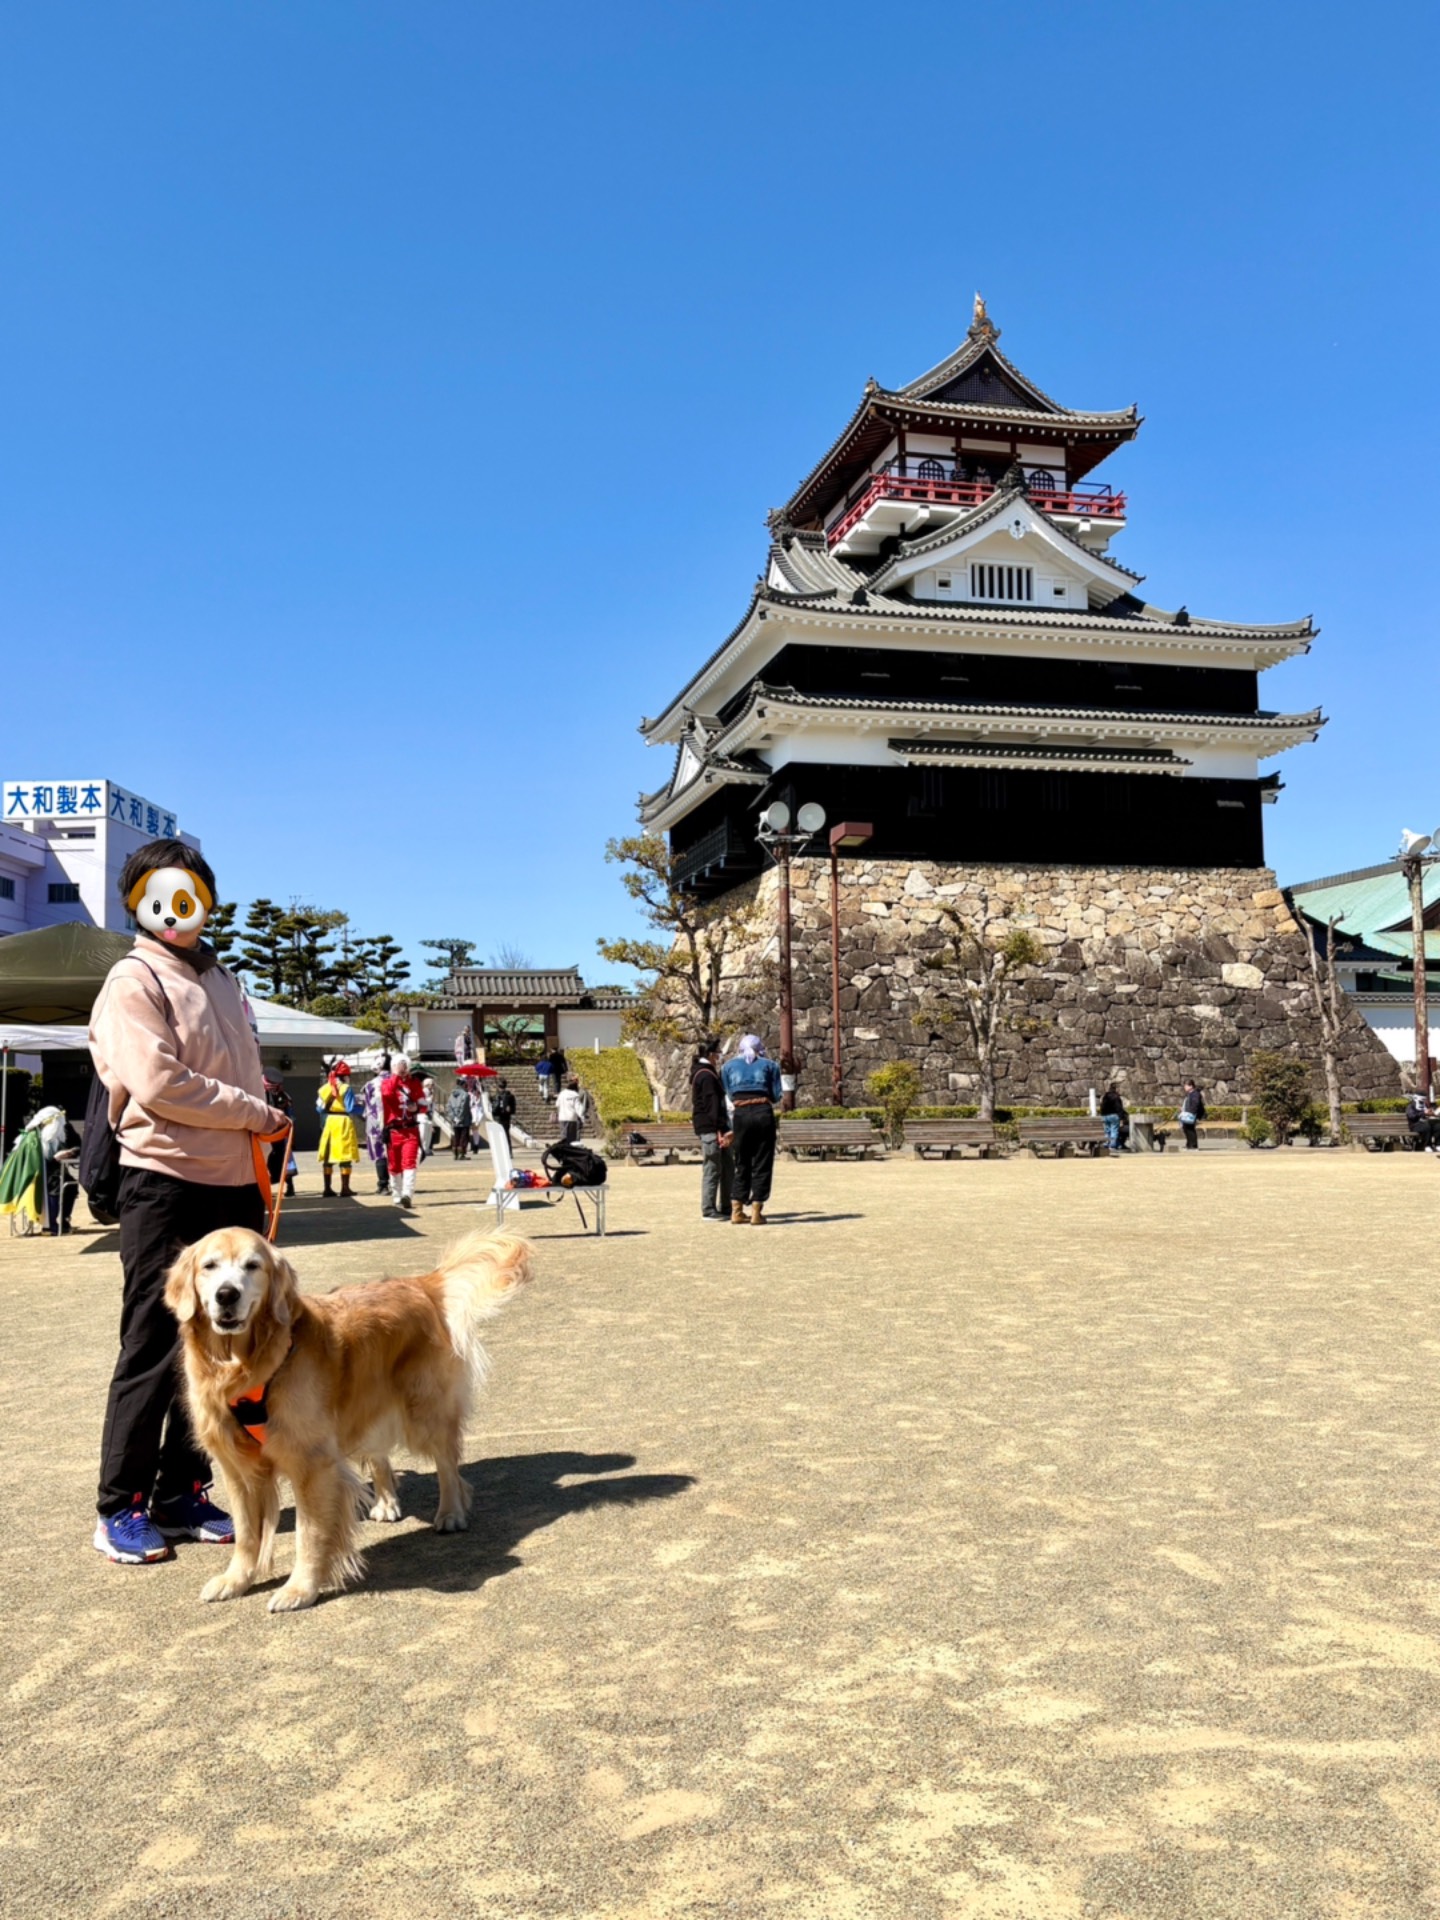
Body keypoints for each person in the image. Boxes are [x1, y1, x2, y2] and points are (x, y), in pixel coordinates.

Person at [87, 837, 276, 1565]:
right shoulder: (132, 979)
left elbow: (237, 1072)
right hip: (163, 1178)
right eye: (157, 895)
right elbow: (159, 1083)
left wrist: (262, 1109)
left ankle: (184, 1490)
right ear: (135, 903)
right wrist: (252, 1110)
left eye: (188, 892)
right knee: (155, 1339)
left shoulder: (222, 977)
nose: (174, 909)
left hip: (234, 1181)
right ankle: (120, 1506)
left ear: (206, 898)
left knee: (227, 1344)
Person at [721, 1034, 783, 1226]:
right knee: (762, 1161)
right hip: (763, 1112)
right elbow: (776, 1095)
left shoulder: (727, 1067)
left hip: (740, 1114)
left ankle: (737, 1210)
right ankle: (756, 1211)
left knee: (741, 1161)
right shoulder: (770, 1065)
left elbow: (728, 1092)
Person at [691, 1038, 733, 1222]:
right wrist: (721, 1129)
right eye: (717, 1053)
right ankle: (708, 1209)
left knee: (727, 1167)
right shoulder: (706, 1075)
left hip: (713, 1126)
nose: (719, 1056)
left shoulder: (703, 1072)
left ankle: (727, 1206)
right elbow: (712, 1105)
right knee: (712, 1168)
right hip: (711, 1128)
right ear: (710, 1054)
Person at [382, 1053, 425, 1209]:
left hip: (411, 1129)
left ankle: (407, 1194)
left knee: (409, 1162)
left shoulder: (414, 1083)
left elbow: (423, 1104)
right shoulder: (387, 1082)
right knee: (394, 1165)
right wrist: (395, 1075)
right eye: (399, 1065)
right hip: (393, 1131)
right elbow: (387, 1094)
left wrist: (417, 1108)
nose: (403, 1069)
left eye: (405, 1065)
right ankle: (397, 1194)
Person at [316, 1061, 361, 1197]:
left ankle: (327, 1189)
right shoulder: (346, 1088)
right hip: (343, 1122)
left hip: (329, 1122)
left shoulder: (325, 1088)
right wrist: (363, 1108)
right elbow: (350, 1108)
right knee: (345, 1155)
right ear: (345, 1076)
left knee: (328, 1156)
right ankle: (345, 1188)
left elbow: (319, 1109)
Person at [263, 1069, 296, 1198]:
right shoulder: (258, 1093)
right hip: (264, 1133)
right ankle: (266, 1188)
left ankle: (290, 1186)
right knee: (266, 1160)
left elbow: (290, 1115)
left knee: (285, 1160)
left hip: (281, 1133)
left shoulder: (284, 1096)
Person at [361, 1055, 391, 1194]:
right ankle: (397, 1183)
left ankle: (383, 1184)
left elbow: (367, 1104)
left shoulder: (370, 1084)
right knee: (395, 1152)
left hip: (374, 1122)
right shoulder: (397, 1081)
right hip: (394, 1121)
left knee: (379, 1153)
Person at [555, 1075, 587, 1145]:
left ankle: (564, 1148)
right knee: (572, 1138)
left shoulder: (562, 1093)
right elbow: (578, 1108)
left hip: (562, 1118)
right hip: (572, 1118)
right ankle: (571, 1149)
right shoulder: (574, 1095)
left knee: (564, 1136)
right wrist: (582, 1117)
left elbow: (557, 1104)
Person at [1099, 1084, 1129, 1154]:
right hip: (1114, 1116)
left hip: (1105, 1116)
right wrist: (1121, 1118)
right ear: (1116, 1089)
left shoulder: (1105, 1096)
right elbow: (1119, 1108)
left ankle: (1107, 1143)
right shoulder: (1116, 1097)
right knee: (1114, 1130)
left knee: (1107, 1130)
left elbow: (1102, 1107)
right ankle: (1112, 1145)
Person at [447, 1079, 473, 1159]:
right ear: (463, 1085)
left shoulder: (451, 1095)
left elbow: (449, 1107)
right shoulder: (465, 1095)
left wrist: (454, 1117)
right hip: (464, 1119)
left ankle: (455, 1154)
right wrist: (460, 1118)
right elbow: (464, 1107)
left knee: (456, 1136)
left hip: (455, 1120)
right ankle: (461, 1154)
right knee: (463, 1137)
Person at [1179, 1078, 1206, 1150]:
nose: (1184, 1087)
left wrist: (1191, 1113)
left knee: (1190, 1129)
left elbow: (1195, 1104)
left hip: (1191, 1114)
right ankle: (1189, 1144)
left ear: (1191, 1086)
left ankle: (1193, 1146)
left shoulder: (1195, 1094)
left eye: (1186, 1085)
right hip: (1188, 1113)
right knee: (1186, 1128)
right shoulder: (1190, 1094)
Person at [418, 1073, 439, 1159]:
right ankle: (421, 1149)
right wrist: (430, 1099)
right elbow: (422, 1102)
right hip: (423, 1114)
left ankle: (426, 1149)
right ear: (427, 1084)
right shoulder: (423, 1092)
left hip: (429, 1114)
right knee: (423, 1133)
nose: (433, 1086)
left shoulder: (431, 1093)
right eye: (432, 1084)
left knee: (428, 1134)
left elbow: (432, 1104)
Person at [490, 1076, 516, 1147]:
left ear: (498, 1086)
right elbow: (513, 1110)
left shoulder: (496, 1096)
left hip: (498, 1118)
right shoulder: (510, 1096)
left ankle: (502, 1149)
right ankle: (508, 1150)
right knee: (506, 1135)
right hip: (506, 1118)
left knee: (499, 1135)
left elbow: (494, 1109)